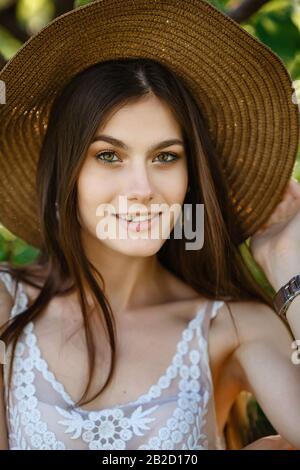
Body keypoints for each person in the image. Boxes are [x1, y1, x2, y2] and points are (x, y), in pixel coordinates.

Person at [0, 0, 299, 450]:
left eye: (165, 157)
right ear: (67, 174)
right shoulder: (8, 307)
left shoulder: (234, 327)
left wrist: (288, 265)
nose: (142, 188)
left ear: (189, 176)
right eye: (108, 156)